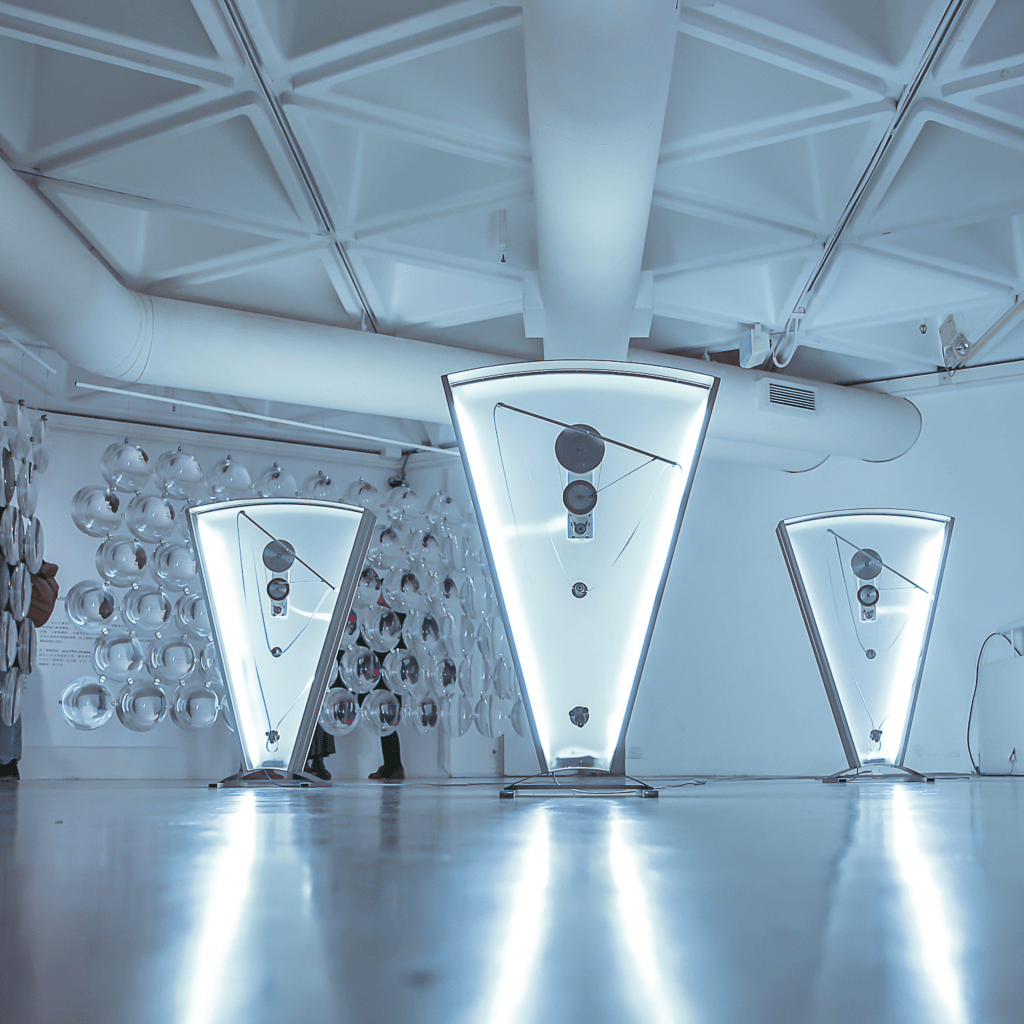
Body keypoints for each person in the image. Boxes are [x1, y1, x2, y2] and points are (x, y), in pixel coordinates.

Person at [0, 561, 59, 781]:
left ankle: (6, 761)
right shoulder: (18, 555)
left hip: (8, 637)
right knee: (8, 699)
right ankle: (8, 761)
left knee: (8, 698)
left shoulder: (14, 556)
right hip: (12, 638)